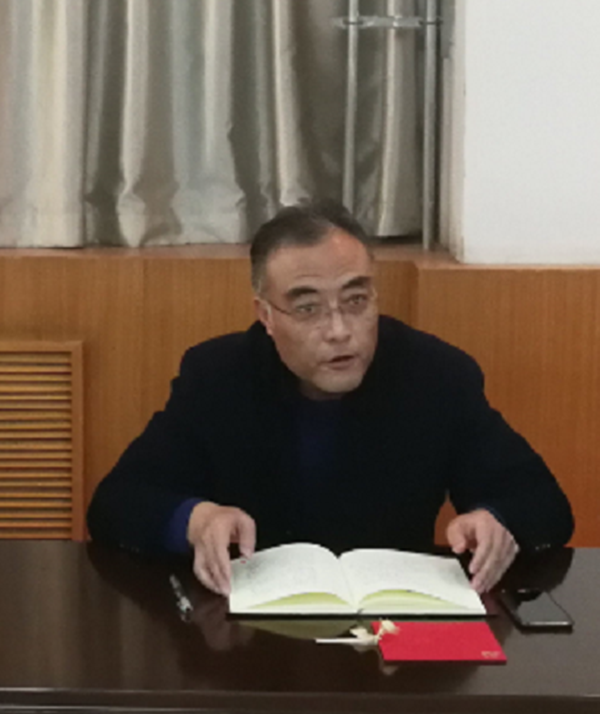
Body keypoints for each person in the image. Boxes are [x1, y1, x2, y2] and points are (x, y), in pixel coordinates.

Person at [87, 199, 574, 598]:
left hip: (393, 639)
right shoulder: (217, 376)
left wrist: (497, 521)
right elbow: (117, 504)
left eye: (356, 301)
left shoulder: (436, 375)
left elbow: (542, 503)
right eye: (308, 308)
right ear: (266, 315)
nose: (340, 330)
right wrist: (195, 520)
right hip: (251, 639)